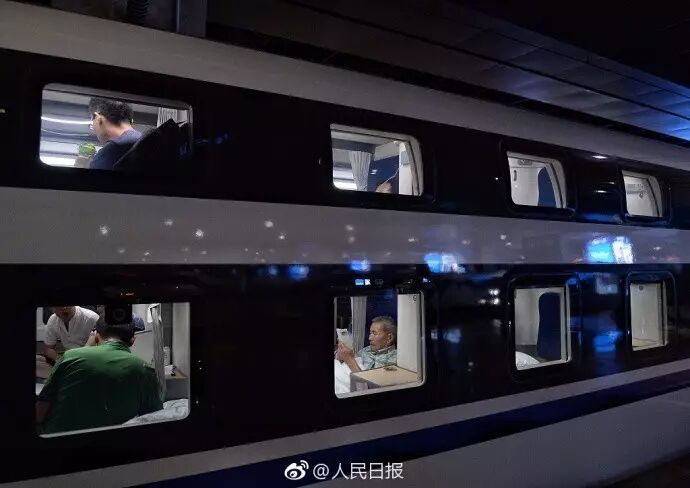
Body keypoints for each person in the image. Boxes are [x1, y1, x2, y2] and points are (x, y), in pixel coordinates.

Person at [36, 316, 162, 435]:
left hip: (57, 440)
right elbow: (153, 418)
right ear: (132, 340)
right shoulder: (144, 370)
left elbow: (41, 410)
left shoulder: (70, 356)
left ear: (96, 336)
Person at [88, 97, 142, 170]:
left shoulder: (109, 153)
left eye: (92, 121)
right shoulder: (146, 141)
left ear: (98, 118)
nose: (94, 131)